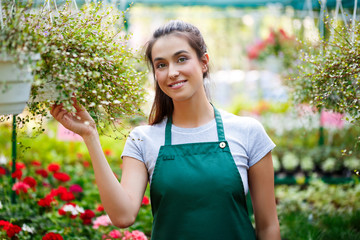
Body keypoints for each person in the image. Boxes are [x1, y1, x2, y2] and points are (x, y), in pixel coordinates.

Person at [51, 20, 280, 240]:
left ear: (204, 62)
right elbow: (123, 216)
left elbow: (268, 226)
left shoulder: (248, 132)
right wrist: (90, 135)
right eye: (161, 64)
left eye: (181, 59)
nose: (171, 72)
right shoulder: (142, 139)